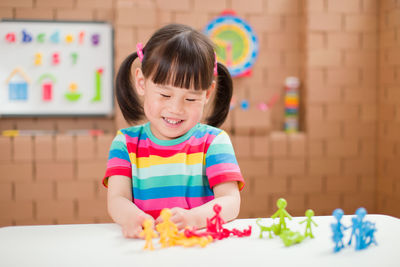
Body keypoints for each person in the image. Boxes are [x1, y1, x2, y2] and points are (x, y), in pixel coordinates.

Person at [103, 24, 245, 238]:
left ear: (207, 94)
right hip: (145, 249)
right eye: (165, 95)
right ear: (142, 83)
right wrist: (131, 216)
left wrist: (194, 219)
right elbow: (117, 198)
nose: (176, 109)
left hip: (198, 249)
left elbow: (231, 202)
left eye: (190, 98)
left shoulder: (214, 142)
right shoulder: (125, 144)